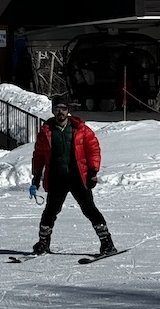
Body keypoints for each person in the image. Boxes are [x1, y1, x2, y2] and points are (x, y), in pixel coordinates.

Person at [30, 96, 116, 256]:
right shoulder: (46, 131)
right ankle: (43, 243)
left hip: (78, 177)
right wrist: (36, 176)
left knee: (89, 209)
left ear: (68, 110)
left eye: (63, 108)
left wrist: (92, 172)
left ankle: (107, 243)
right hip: (57, 177)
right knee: (50, 211)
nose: (60, 112)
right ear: (53, 110)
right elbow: (39, 155)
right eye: (57, 109)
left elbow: (93, 150)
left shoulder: (80, 129)